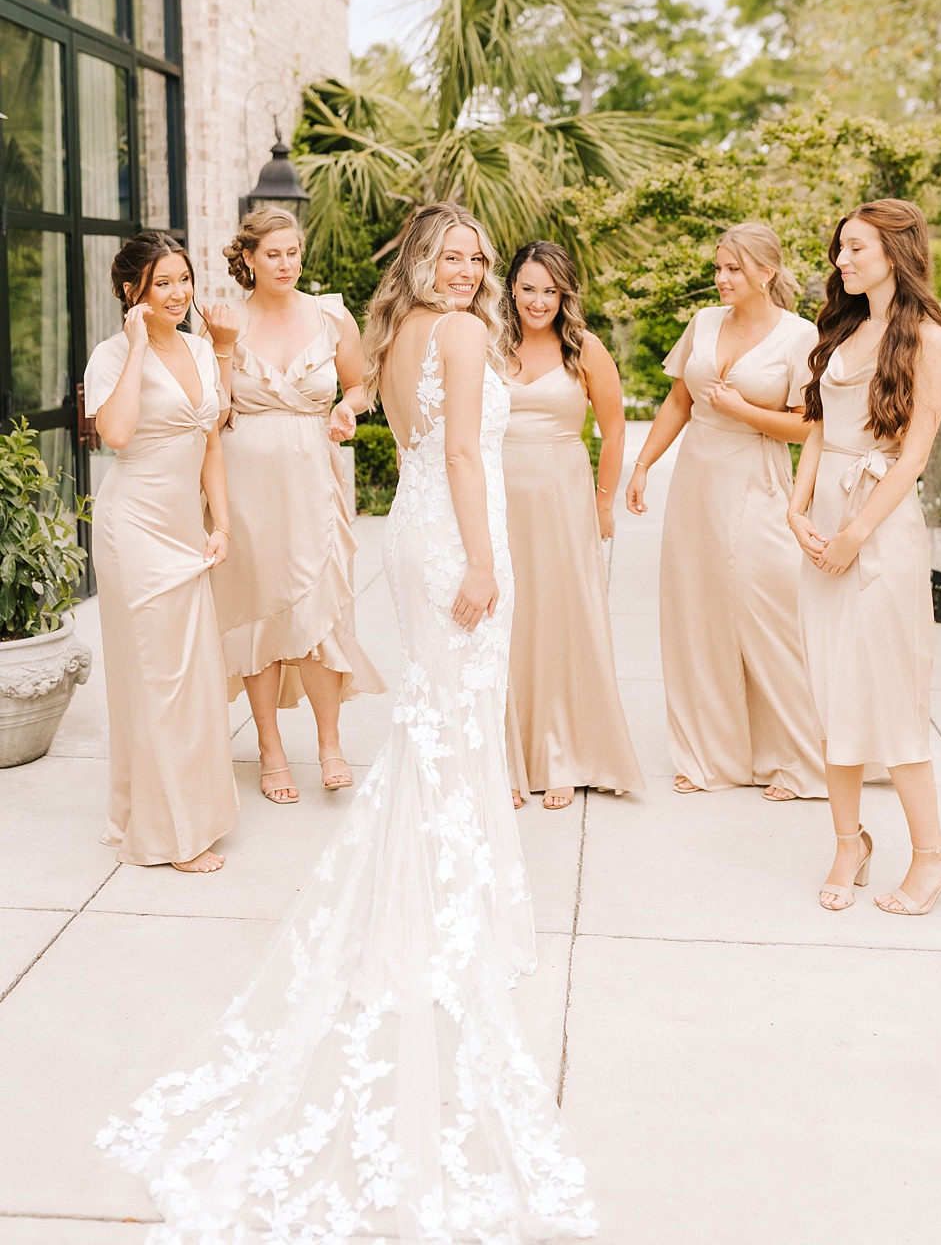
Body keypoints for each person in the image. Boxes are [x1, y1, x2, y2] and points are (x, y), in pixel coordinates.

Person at [99, 203, 595, 1240]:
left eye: (475, 257)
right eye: (448, 255)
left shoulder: (399, 326)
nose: (465, 270)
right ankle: (456, 896)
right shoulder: (459, 332)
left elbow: (413, 437)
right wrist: (488, 562)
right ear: (423, 260)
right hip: (456, 535)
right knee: (454, 715)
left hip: (417, 530)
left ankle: (455, 882)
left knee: (440, 714)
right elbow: (462, 454)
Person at [789, 199, 941, 914]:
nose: (842, 261)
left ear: (895, 250)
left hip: (881, 529)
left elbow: (915, 452)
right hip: (824, 519)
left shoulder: (927, 338)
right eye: (840, 250)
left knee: (892, 692)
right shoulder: (844, 331)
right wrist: (796, 510)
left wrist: (856, 531)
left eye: (856, 249)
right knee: (833, 689)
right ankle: (848, 841)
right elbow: (816, 431)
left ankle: (935, 856)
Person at [626, 222, 825, 800]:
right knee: (699, 614)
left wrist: (742, 411)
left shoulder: (799, 334)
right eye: (718, 268)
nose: (721, 278)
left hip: (758, 482)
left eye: (734, 268)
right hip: (696, 481)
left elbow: (807, 426)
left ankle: (797, 758)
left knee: (768, 614)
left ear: (767, 271)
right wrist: (642, 466)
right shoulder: (703, 323)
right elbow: (678, 400)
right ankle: (712, 756)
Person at [210, 206, 385, 803]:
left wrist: (346, 407)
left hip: (315, 481)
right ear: (249, 259)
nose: (287, 264)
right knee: (257, 616)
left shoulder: (332, 315)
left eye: (293, 252)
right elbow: (212, 404)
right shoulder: (224, 322)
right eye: (274, 254)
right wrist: (225, 348)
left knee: (320, 613)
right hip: (247, 487)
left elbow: (362, 385)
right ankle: (270, 750)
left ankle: (329, 744)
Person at [82, 232, 237, 873]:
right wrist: (138, 347)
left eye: (183, 279)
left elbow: (212, 440)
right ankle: (169, 833)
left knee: (192, 676)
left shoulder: (202, 349)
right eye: (162, 284)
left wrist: (222, 523)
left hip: (183, 529)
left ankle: (168, 808)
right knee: (154, 678)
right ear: (130, 292)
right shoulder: (110, 355)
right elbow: (115, 435)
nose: (179, 294)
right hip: (133, 529)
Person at [500, 239, 645, 809]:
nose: (539, 302)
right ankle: (511, 755)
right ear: (512, 287)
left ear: (565, 294)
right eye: (529, 288)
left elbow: (614, 431)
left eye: (551, 291)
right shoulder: (490, 346)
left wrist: (604, 504)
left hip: (563, 496)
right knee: (507, 620)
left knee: (560, 618)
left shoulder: (584, 349)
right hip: (499, 497)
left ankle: (560, 752)